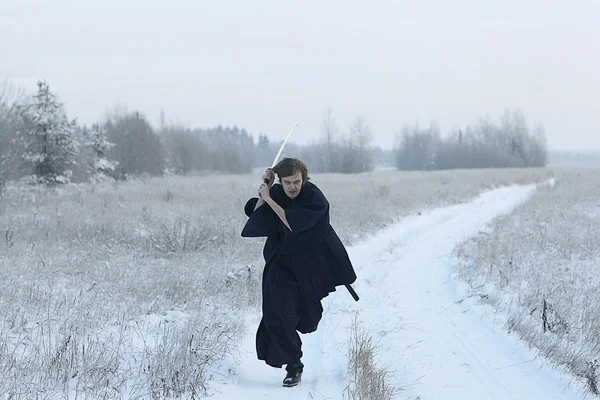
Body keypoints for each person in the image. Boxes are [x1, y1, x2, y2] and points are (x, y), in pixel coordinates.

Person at [241, 157, 357, 387]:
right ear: (281, 181)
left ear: (304, 178)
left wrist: (269, 198)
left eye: (296, 181)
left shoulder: (315, 198)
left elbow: (291, 222)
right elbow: (256, 214)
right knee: (278, 314)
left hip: (309, 266)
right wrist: (265, 188)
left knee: (307, 317)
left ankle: (295, 342)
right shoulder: (277, 192)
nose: (292, 187)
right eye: (286, 182)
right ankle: (294, 365)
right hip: (280, 263)